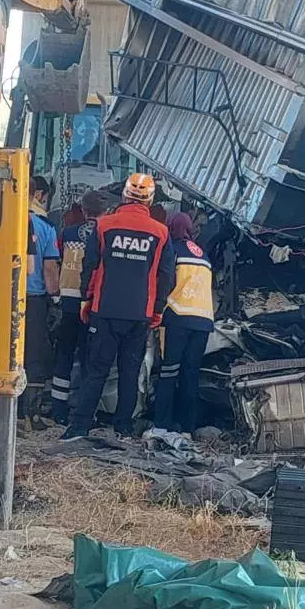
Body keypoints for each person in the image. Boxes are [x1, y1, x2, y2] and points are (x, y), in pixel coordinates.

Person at [62, 174, 175, 440]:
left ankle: (79, 426)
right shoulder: (161, 233)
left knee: (96, 370)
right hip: (140, 313)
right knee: (130, 372)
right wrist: (157, 310)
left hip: (105, 310)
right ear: (150, 199)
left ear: (124, 196)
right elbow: (166, 276)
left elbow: (89, 267)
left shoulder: (104, 226)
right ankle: (123, 427)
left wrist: (86, 300)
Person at [149, 211, 214, 436]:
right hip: (204, 321)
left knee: (168, 373)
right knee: (190, 374)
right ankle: (187, 428)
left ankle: (161, 426)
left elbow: (165, 282)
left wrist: (155, 310)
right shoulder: (203, 255)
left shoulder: (172, 250)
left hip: (177, 317)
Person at [51, 190, 108, 424]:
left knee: (63, 355)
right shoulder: (106, 235)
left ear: (83, 211)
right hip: (92, 303)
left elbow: (58, 259)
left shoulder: (67, 233)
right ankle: (84, 411)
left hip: (68, 301)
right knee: (88, 358)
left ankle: (58, 409)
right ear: (104, 212)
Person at [24, 175, 60, 426]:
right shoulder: (45, 228)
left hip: (0, 296)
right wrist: (56, 296)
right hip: (34, 299)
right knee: (34, 354)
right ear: (38, 195)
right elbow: (49, 269)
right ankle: (31, 413)